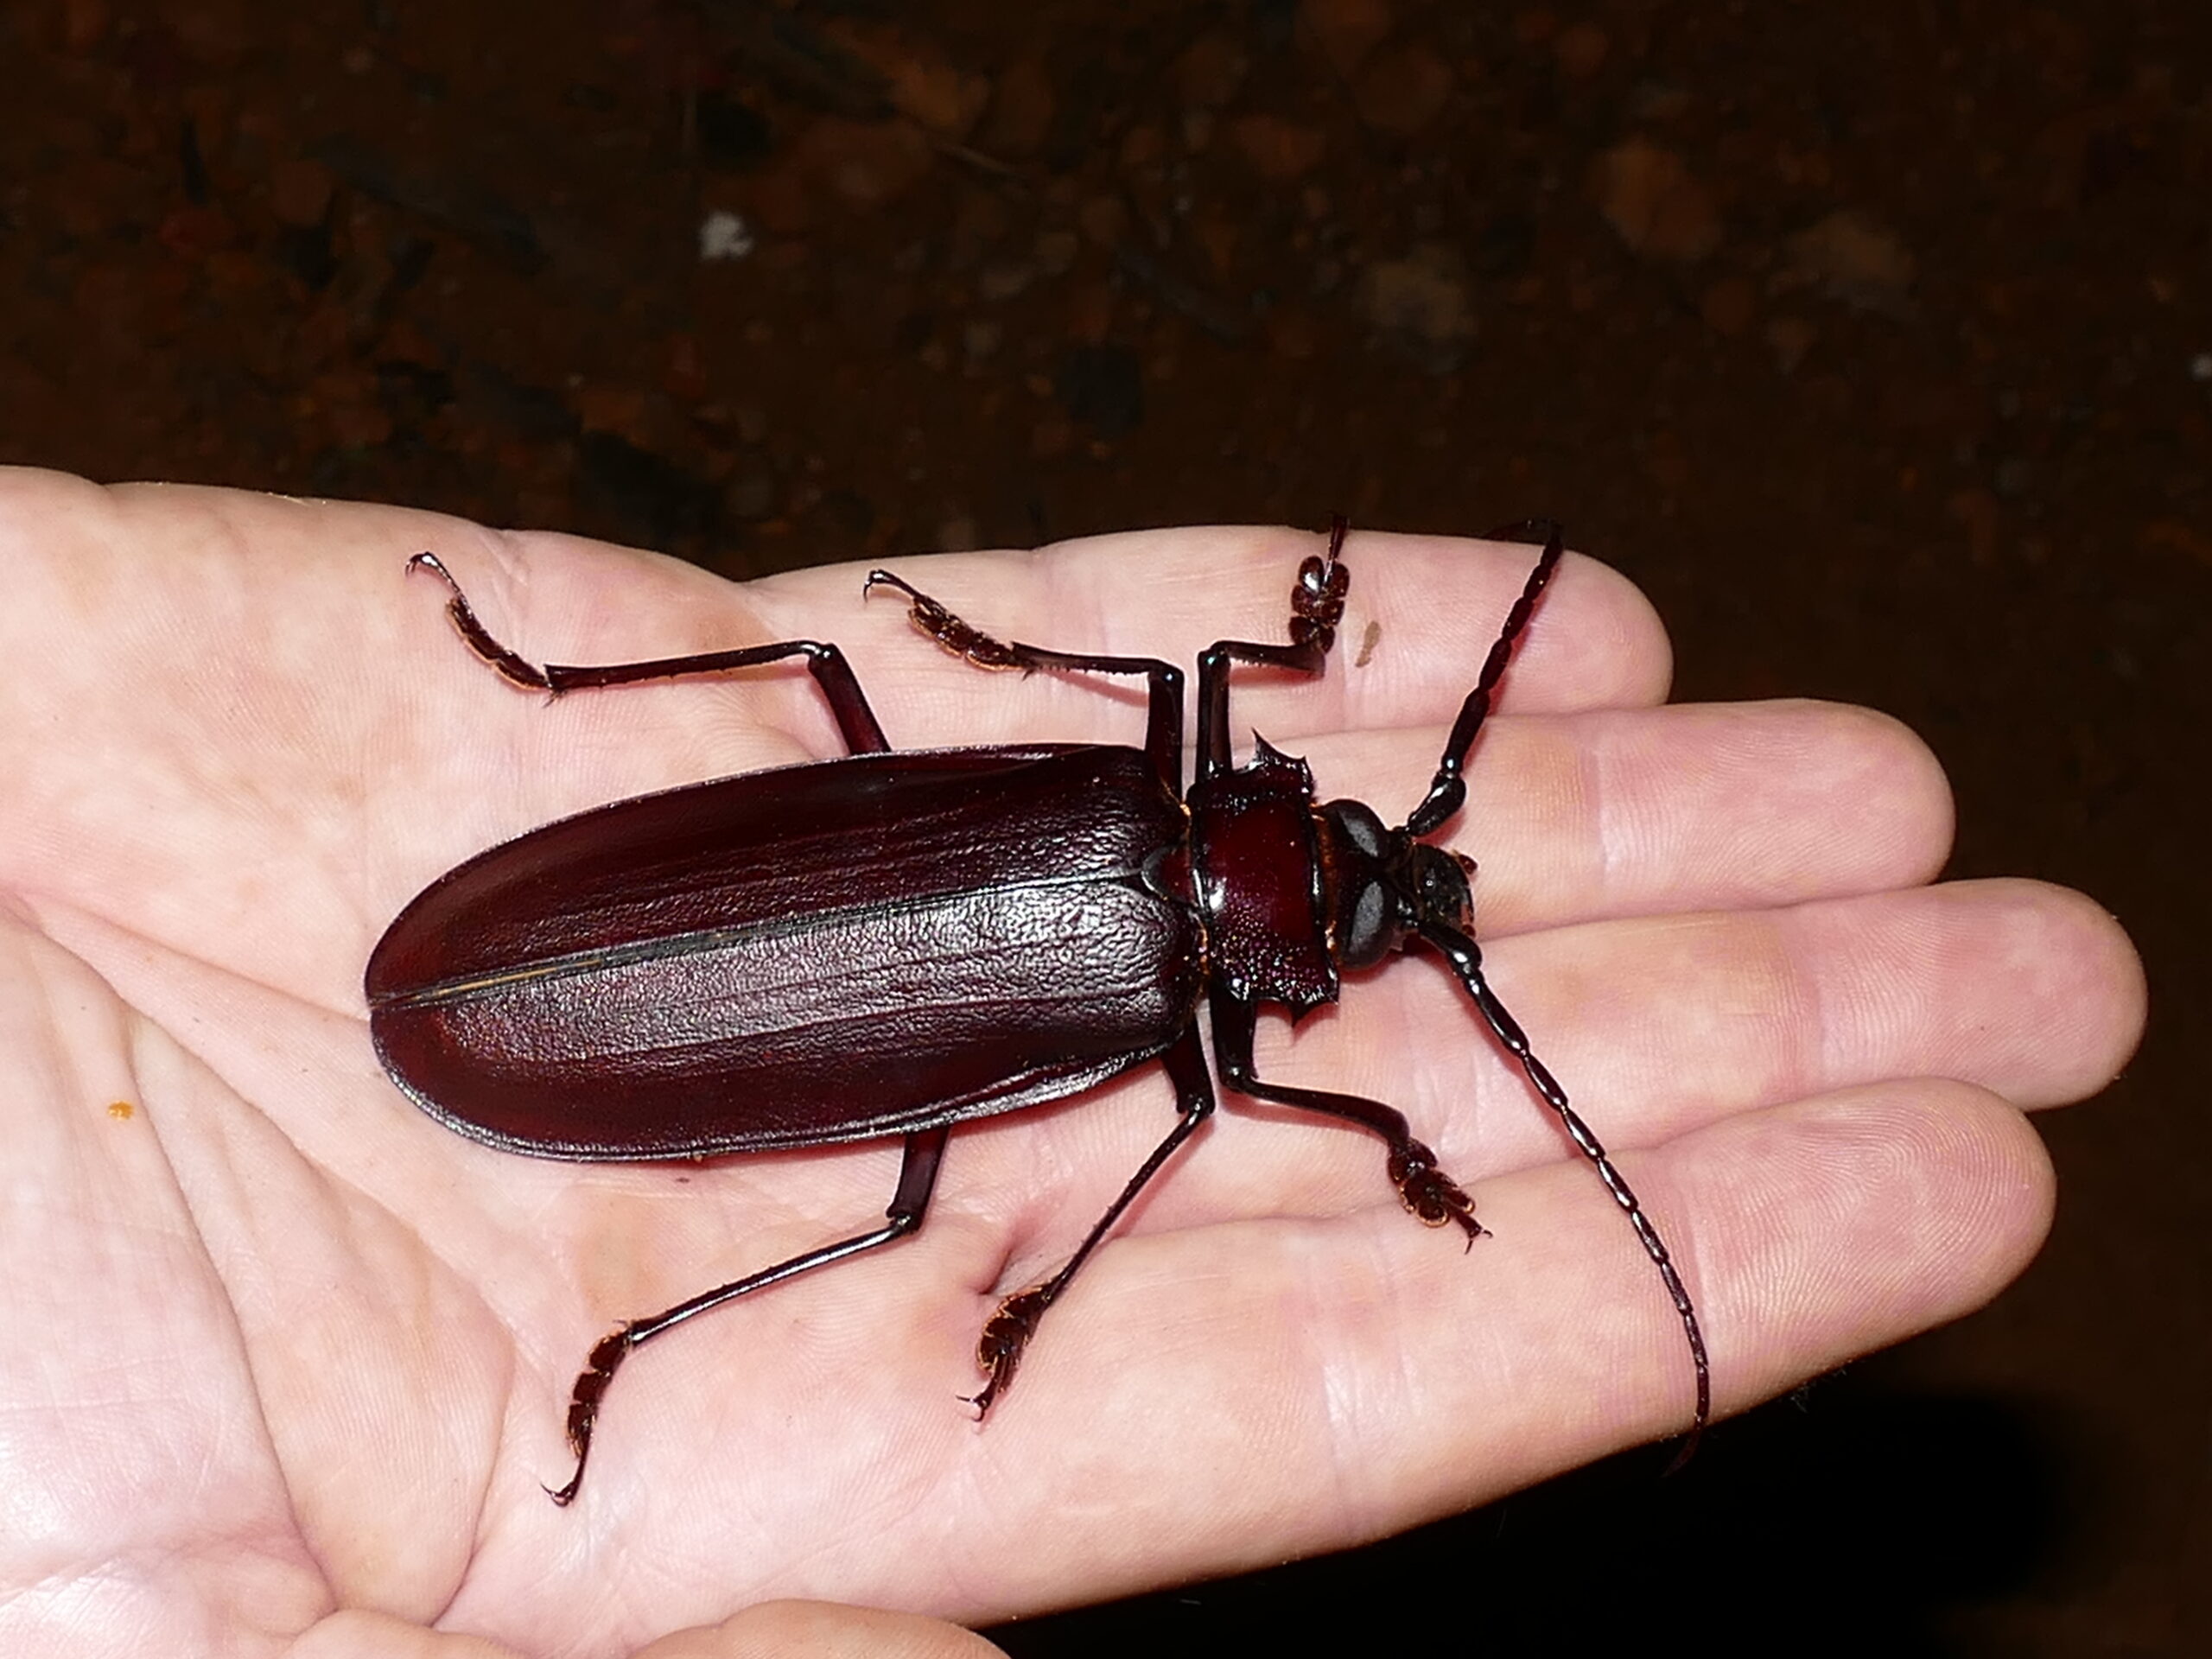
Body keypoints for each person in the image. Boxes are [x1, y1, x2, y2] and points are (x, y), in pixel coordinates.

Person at [0, 468, 2143, 1657]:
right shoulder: (1188, 1004)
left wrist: (1366, 1123)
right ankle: (552, 692)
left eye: (1369, 885)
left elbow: (1192, 705)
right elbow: (1188, 1111)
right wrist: (1352, 1134)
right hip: (531, 947)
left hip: (629, 985)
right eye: (1369, 875)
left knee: (901, 1081)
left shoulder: (1171, 786)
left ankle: (636, 1332)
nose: (1384, 881)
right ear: (1287, 851)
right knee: (911, 1148)